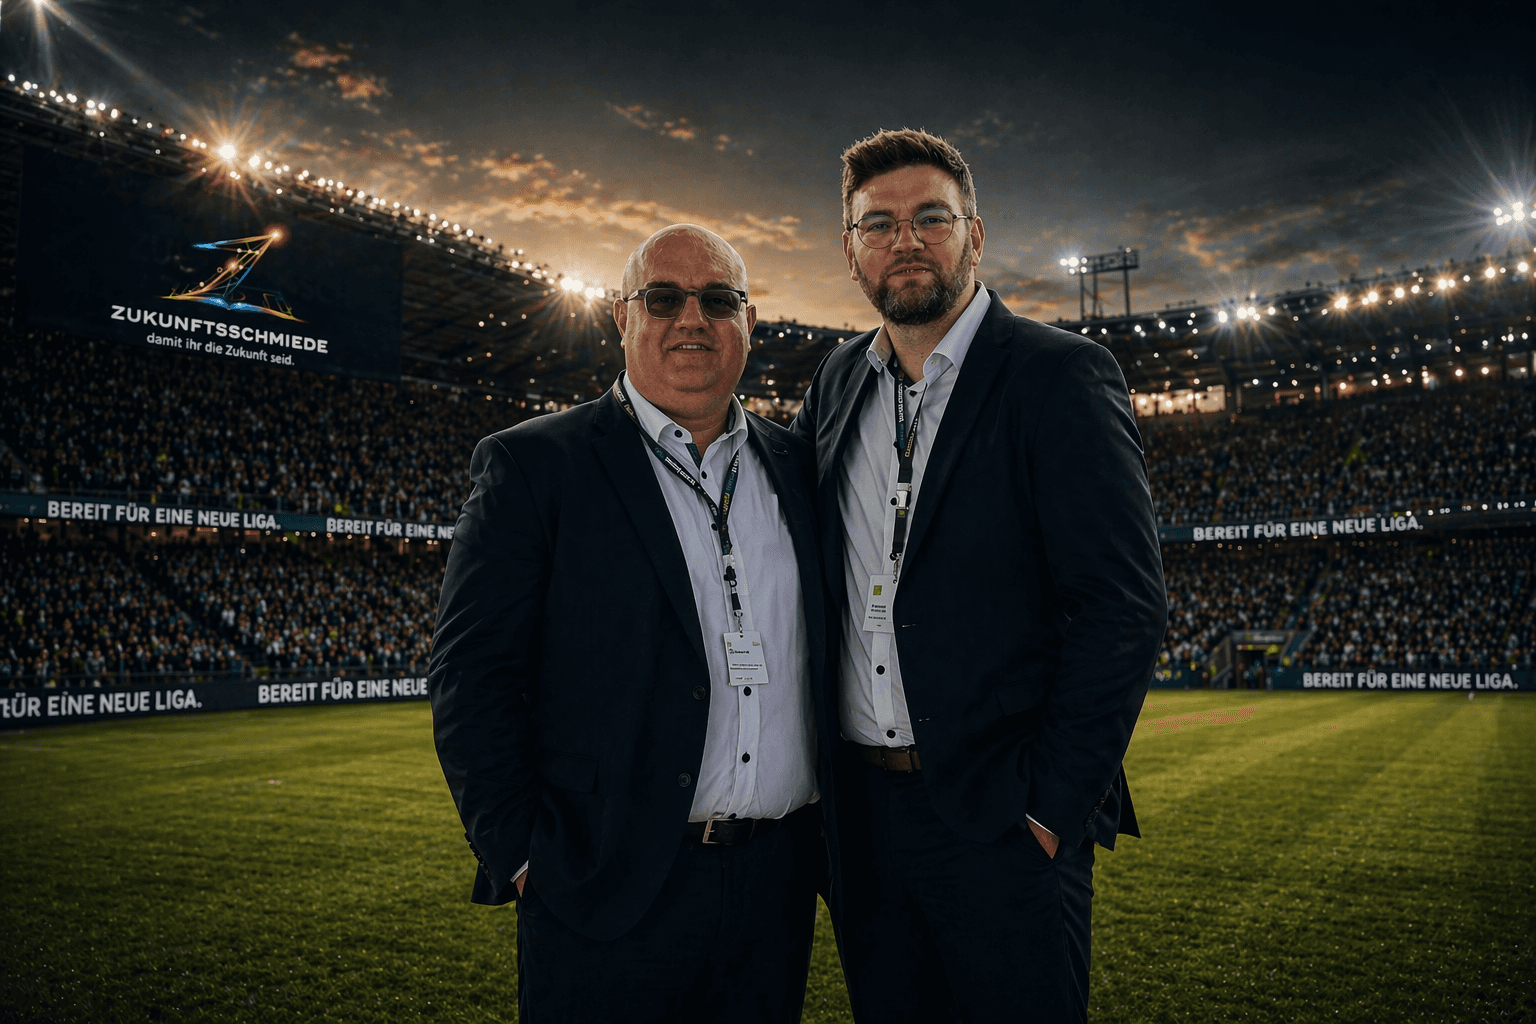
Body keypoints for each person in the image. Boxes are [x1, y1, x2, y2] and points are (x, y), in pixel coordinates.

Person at [791, 129, 1167, 1023]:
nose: (906, 241)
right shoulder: (837, 382)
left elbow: (1122, 608)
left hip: (1003, 820)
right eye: (877, 225)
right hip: (864, 825)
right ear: (849, 251)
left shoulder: (1060, 375)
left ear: (975, 233)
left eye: (931, 217)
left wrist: (1046, 810)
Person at [429, 224, 830, 1023]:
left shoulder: (801, 467)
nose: (692, 318)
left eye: (718, 299)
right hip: (603, 884)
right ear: (621, 316)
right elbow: (471, 676)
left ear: (749, 320)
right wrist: (519, 857)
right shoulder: (535, 466)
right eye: (663, 298)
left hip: (776, 888)